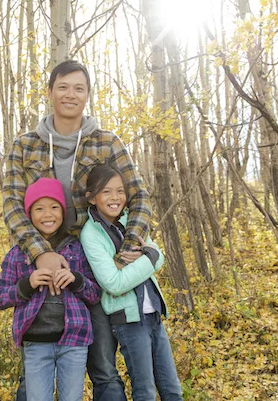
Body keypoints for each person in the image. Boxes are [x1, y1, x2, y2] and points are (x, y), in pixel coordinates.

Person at [3, 60, 152, 401]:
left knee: (103, 368)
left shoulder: (107, 142)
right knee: (34, 373)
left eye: (79, 88)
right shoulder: (25, 146)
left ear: (87, 95)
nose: (71, 94)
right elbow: (12, 204)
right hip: (39, 263)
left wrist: (128, 244)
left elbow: (138, 194)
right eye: (63, 87)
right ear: (51, 91)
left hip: (92, 266)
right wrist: (41, 254)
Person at [80, 165, 183, 401]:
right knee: (145, 390)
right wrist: (149, 258)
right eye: (106, 192)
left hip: (154, 313)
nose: (115, 198)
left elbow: (159, 255)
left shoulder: (130, 221)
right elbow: (114, 284)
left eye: (119, 191)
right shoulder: (91, 234)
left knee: (172, 390)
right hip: (128, 321)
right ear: (92, 197)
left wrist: (150, 256)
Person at [0, 178, 100, 401]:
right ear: (29, 214)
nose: (47, 214)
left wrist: (76, 280)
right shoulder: (18, 254)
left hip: (74, 341)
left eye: (54, 207)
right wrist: (27, 285)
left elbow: (95, 293)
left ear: (63, 211)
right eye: (39, 209)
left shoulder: (76, 248)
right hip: (36, 343)